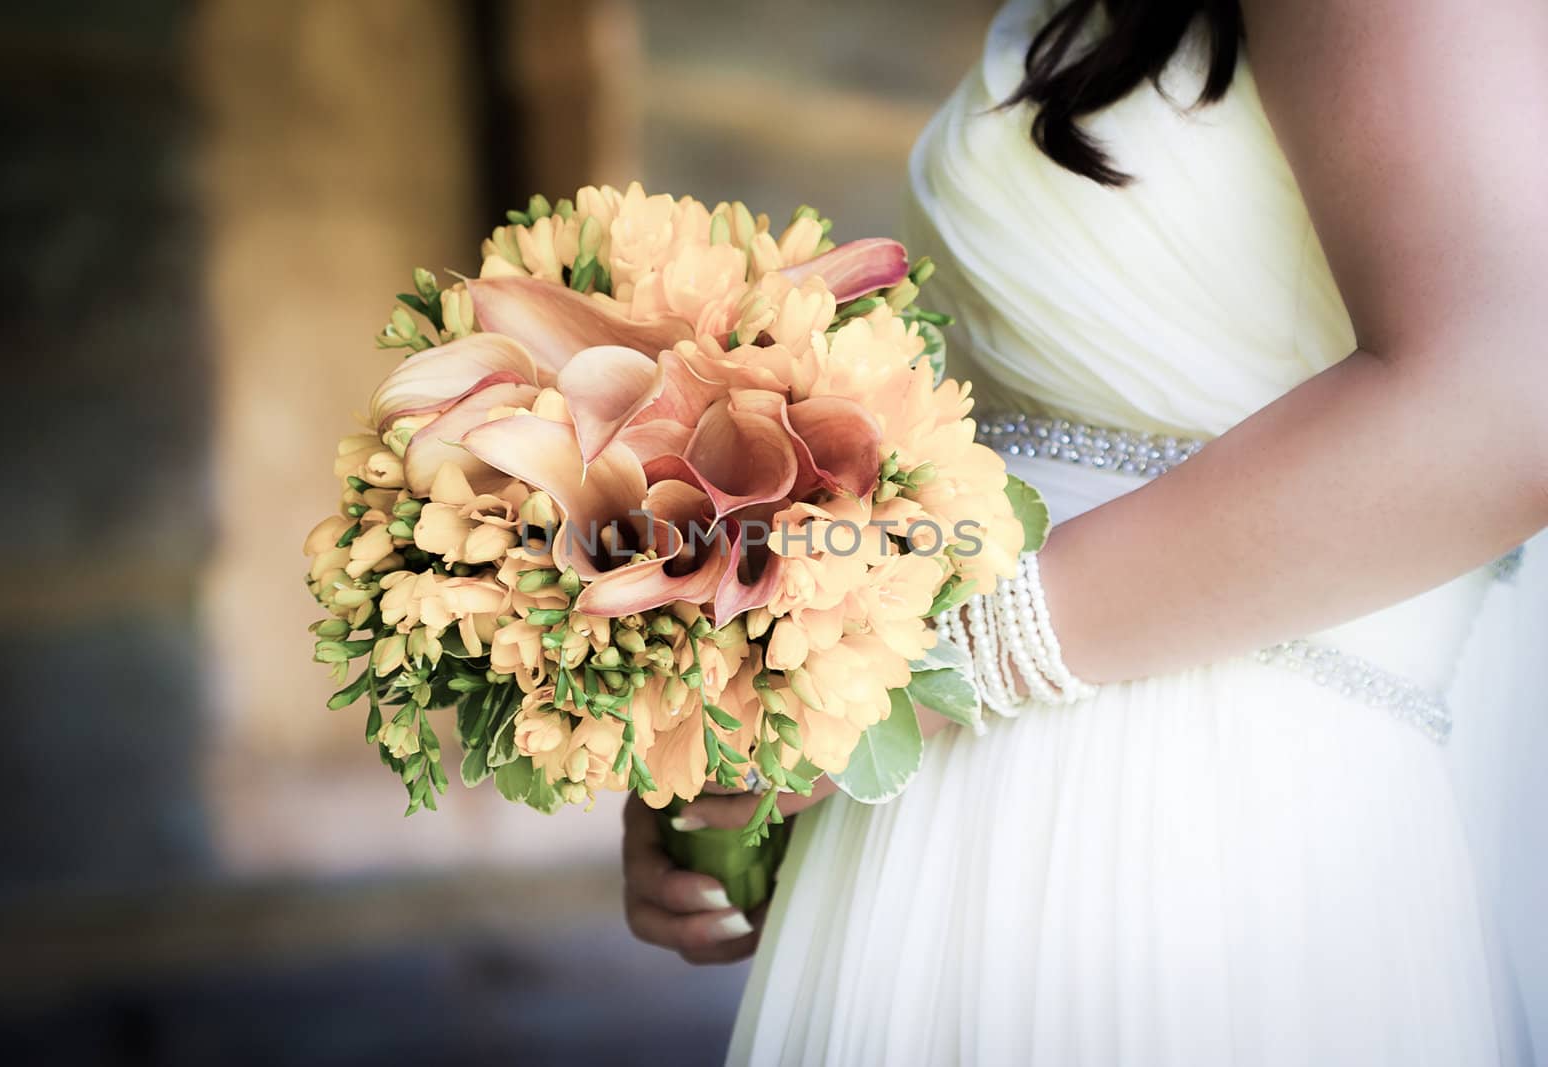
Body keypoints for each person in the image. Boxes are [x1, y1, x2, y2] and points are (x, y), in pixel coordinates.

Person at [622, 0, 1548, 1062]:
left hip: (1194, 823)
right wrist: (729, 683)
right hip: (945, 809)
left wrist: (933, 653)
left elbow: (1507, 403)